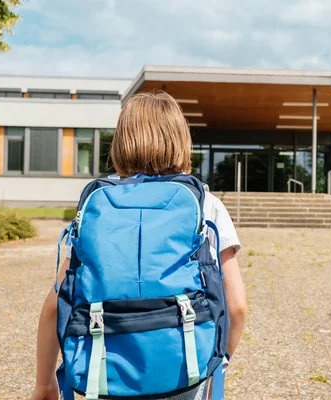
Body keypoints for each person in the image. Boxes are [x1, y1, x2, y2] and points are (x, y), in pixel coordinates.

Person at [31, 91, 247, 400]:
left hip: (105, 365)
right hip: (186, 367)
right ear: (181, 141)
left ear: (121, 143)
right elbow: (236, 307)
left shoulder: (97, 207)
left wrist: (45, 383)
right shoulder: (205, 205)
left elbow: (56, 305)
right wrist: (217, 363)